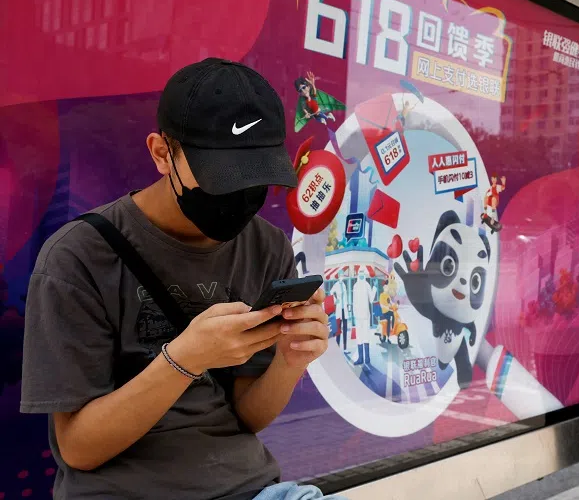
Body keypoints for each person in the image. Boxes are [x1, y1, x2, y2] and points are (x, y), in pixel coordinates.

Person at [20, 58, 342, 500]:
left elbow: (248, 417)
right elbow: (78, 449)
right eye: (221, 177)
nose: (240, 195)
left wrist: (290, 363)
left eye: (256, 176)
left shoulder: (265, 247)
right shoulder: (77, 259)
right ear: (160, 153)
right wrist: (183, 360)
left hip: (252, 489)